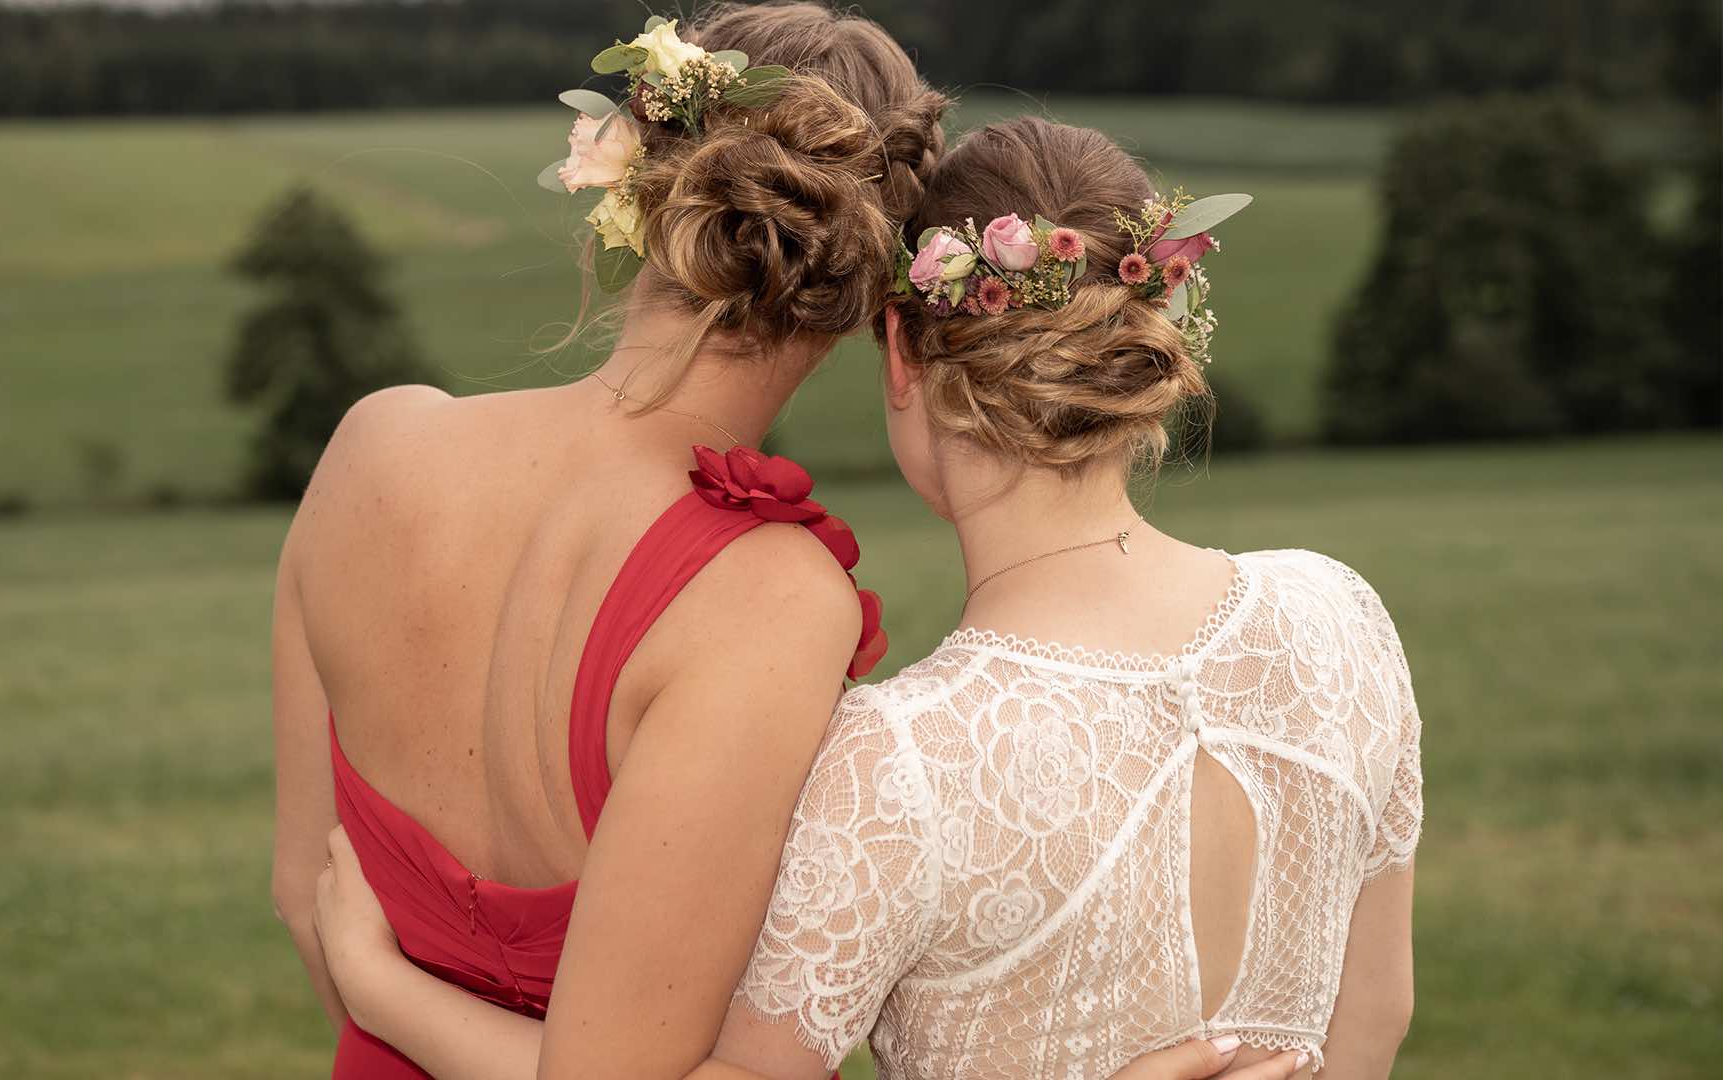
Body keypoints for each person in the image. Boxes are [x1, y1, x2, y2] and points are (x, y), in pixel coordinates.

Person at [312, 114, 1415, 1080]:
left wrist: (385, 993)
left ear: (901, 351)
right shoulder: (1340, 617)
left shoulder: (898, 767)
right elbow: (1376, 1017)